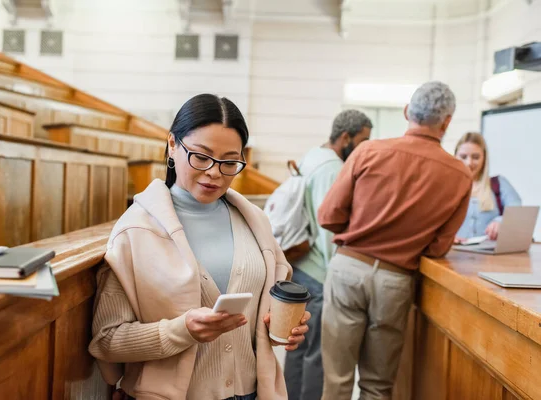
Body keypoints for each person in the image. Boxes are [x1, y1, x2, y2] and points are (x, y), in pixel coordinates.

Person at [88, 94, 310, 400]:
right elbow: (107, 341)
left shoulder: (255, 223)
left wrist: (280, 329)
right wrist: (183, 331)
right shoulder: (136, 231)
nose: (215, 173)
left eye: (229, 162)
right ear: (172, 145)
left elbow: (259, 324)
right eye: (201, 157)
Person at [317, 81, 472, 400]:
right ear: (447, 122)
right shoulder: (459, 174)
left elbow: (328, 215)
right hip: (395, 281)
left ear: (406, 112)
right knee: (378, 385)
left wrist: (363, 225)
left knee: (337, 379)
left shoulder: (368, 151)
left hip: (348, 269)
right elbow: (440, 247)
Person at [284, 110, 372, 400]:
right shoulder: (332, 168)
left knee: (297, 351)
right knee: (317, 355)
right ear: (346, 137)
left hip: (299, 266)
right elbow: (328, 232)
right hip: (318, 274)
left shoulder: (312, 156)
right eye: (363, 141)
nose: (364, 148)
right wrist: (338, 276)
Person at [454, 132, 521, 241]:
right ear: (455, 157)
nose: (469, 163)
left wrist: (500, 221)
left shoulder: (499, 184)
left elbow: (518, 211)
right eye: (463, 157)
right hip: (455, 254)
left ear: (484, 158)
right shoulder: (445, 188)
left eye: (476, 157)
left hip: (490, 255)